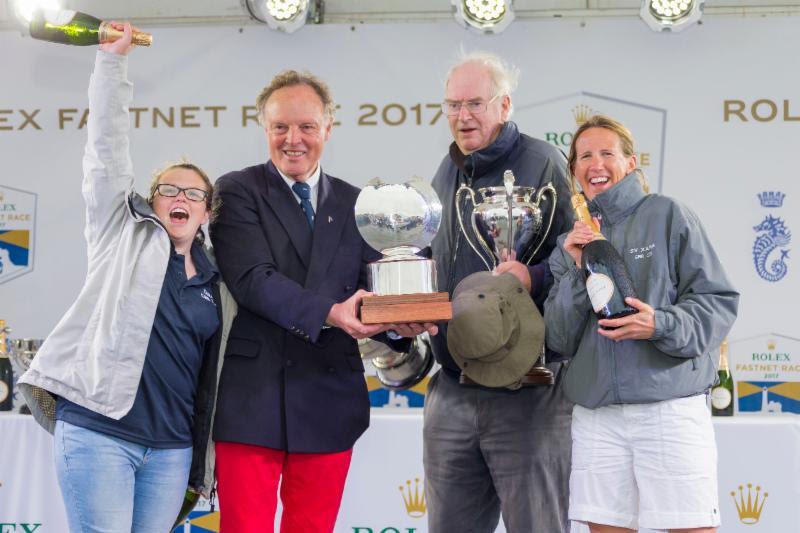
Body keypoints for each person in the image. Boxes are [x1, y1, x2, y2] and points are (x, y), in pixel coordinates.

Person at [18, 23, 233, 532]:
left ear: (207, 213)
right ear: (150, 201)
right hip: (99, 435)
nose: (181, 199)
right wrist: (112, 64)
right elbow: (106, 152)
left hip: (172, 451)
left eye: (194, 195)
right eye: (169, 190)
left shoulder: (218, 281)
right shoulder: (122, 234)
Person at [209, 69, 435, 532]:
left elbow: (375, 292)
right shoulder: (237, 191)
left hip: (328, 400)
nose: (293, 139)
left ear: (328, 128)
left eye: (306, 127)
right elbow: (254, 280)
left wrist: (400, 324)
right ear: (264, 129)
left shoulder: (359, 205)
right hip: (252, 399)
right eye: (280, 127)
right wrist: (331, 312)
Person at [544, 115, 739, 533]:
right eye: (584, 156)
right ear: (575, 172)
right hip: (597, 415)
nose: (595, 164)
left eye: (607, 153)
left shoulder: (668, 214)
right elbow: (557, 337)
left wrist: (661, 324)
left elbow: (718, 302)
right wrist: (581, 269)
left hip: (669, 408)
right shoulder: (570, 242)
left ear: (631, 164)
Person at [424, 51, 575, 532]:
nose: (461, 116)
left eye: (474, 103)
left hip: (525, 394)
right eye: (452, 105)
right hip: (451, 389)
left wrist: (533, 278)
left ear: (504, 105)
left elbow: (576, 258)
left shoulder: (544, 161)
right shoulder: (445, 174)